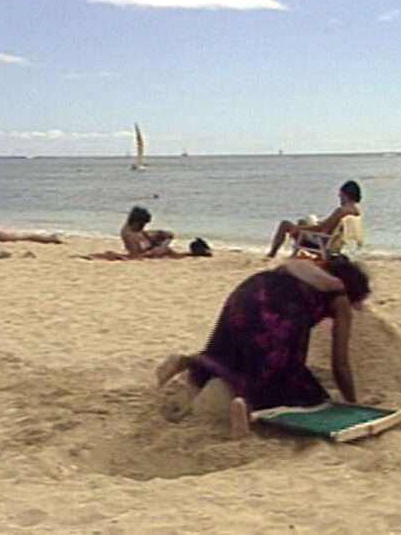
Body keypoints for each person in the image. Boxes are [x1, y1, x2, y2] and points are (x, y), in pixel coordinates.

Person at [155, 256, 371, 439]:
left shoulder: (304, 265)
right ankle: (245, 405)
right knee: (286, 382)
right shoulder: (340, 298)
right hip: (280, 312)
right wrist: (353, 402)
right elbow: (340, 363)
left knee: (230, 354)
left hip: (247, 292)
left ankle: (189, 362)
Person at [266, 180, 362, 258]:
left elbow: (321, 227)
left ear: (346, 195)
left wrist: (298, 228)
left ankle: (272, 254)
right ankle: (287, 253)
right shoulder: (355, 211)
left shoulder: (341, 211)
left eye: (340, 195)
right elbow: (329, 226)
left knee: (285, 224)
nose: (339, 197)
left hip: (321, 244)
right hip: (332, 244)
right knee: (303, 222)